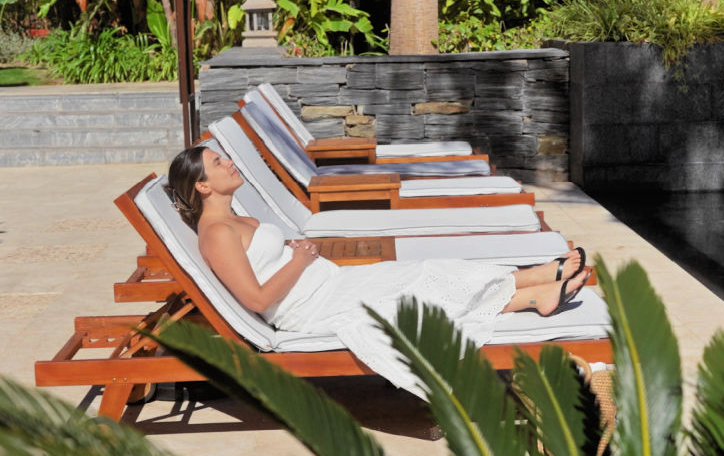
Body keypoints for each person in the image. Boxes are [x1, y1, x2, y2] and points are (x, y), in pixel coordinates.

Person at [166, 145, 591, 391]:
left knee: (424, 270)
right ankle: (533, 281)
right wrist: (297, 259)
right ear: (202, 186)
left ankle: (533, 287)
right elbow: (255, 299)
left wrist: (294, 252)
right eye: (218, 163)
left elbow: (261, 262)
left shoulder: (233, 216)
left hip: (327, 281)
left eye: (224, 157)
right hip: (312, 308)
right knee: (416, 288)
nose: (229, 163)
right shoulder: (215, 232)